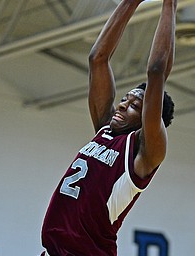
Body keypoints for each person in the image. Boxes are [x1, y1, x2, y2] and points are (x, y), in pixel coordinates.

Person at [41, 0, 176, 255]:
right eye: (125, 99)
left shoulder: (144, 154)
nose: (123, 105)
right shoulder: (105, 128)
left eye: (135, 105)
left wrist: (169, 4)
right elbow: (98, 59)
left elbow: (157, 71)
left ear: (147, 118)